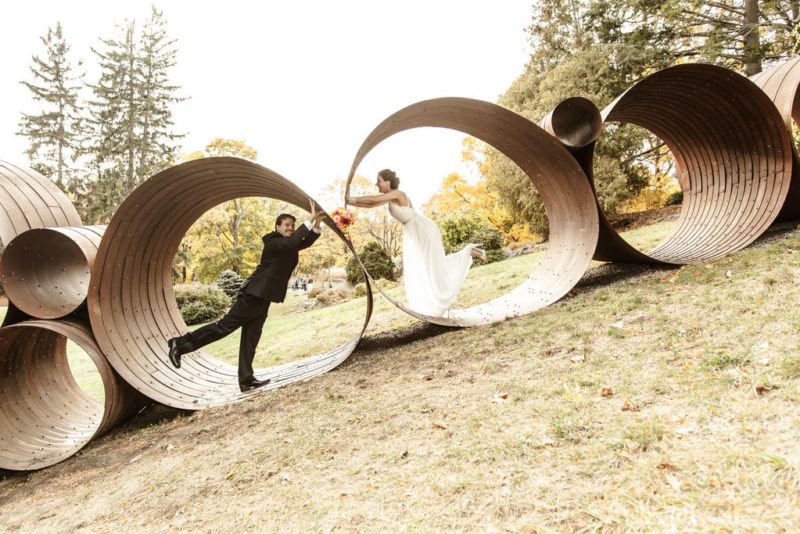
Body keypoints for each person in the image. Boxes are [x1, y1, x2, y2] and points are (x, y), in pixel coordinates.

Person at [167, 200, 325, 392]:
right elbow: (292, 241)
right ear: (277, 227)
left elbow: (304, 242)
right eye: (287, 225)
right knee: (223, 327)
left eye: (293, 225)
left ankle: (246, 380)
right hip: (252, 296)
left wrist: (317, 224)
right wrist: (308, 220)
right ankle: (180, 344)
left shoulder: (288, 245)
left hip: (263, 298)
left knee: (251, 338)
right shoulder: (274, 242)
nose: (291, 228)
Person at [346, 169, 485, 317]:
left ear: (387, 181)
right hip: (415, 232)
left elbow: (373, 200)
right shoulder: (389, 198)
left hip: (423, 230)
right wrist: (350, 201)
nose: (376, 184)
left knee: (436, 265)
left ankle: (470, 251)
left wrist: (351, 199)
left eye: (378, 180)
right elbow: (370, 204)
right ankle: (470, 253)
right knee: (430, 266)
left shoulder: (398, 194)